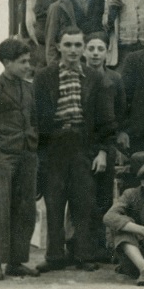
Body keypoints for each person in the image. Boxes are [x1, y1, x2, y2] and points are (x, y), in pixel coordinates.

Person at [32, 27, 118, 272]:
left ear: (83, 48)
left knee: (83, 202)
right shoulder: (44, 76)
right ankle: (55, 256)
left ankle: (83, 254)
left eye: (77, 45)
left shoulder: (94, 77)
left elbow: (105, 119)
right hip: (54, 146)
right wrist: (40, 153)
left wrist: (102, 151)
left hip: (83, 146)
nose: (73, 50)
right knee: (54, 202)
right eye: (67, 45)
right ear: (58, 46)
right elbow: (36, 117)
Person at [0, 38, 42, 280]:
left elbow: (34, 119)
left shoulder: (29, 88)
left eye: (28, 61)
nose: (27, 66)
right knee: (1, 208)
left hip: (27, 154)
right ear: (7, 62)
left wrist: (34, 143)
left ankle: (16, 262)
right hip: (3, 154)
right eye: (22, 62)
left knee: (25, 209)